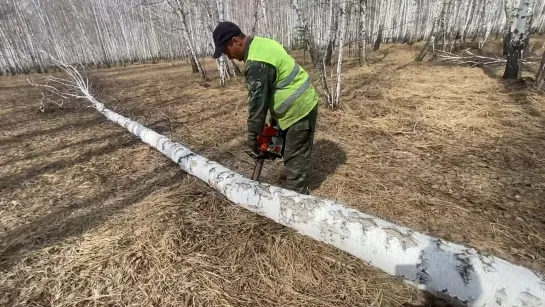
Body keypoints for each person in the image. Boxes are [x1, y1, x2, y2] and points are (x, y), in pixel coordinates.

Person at [212, 21, 318, 195]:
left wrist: (253, 139)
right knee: (284, 148)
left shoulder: (256, 63)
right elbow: (275, 84)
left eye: (226, 51)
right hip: (291, 104)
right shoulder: (262, 43)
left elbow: (257, 106)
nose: (229, 57)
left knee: (295, 159)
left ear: (236, 41)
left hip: (299, 108)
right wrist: (273, 123)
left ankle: (297, 203)